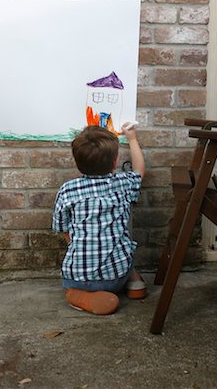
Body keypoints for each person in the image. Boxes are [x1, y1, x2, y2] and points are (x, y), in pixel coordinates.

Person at [52, 123, 146, 315]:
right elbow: (139, 172)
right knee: (123, 244)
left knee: (77, 272)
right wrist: (133, 139)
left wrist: (77, 247)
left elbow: (62, 229)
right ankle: (134, 282)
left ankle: (76, 294)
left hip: (77, 276)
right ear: (115, 162)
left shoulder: (67, 190)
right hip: (116, 277)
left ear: (78, 162)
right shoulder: (122, 184)